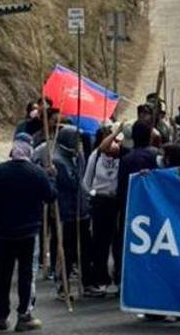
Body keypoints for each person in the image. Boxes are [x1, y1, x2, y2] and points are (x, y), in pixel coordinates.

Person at [0, 139, 57, 332]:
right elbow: (51, 196)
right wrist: (51, 177)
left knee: (3, 275)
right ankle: (23, 315)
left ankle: (2, 316)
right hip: (28, 232)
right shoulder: (37, 173)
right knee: (26, 275)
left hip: (4, 232)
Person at [114, 123, 160, 285]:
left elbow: (121, 185)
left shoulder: (126, 159)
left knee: (128, 242)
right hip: (153, 207)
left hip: (130, 206)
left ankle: (123, 277)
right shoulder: (156, 156)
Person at [82, 127, 123, 297]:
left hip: (116, 202)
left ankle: (119, 279)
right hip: (100, 201)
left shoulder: (122, 155)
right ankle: (101, 279)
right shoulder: (96, 155)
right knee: (100, 243)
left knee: (118, 242)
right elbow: (86, 181)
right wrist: (93, 194)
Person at [53, 125, 91, 301]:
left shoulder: (78, 156)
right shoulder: (59, 160)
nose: (79, 144)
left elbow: (83, 178)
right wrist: (77, 162)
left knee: (84, 249)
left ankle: (87, 283)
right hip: (67, 212)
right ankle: (63, 285)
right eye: (76, 140)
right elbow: (72, 182)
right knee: (67, 251)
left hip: (81, 210)